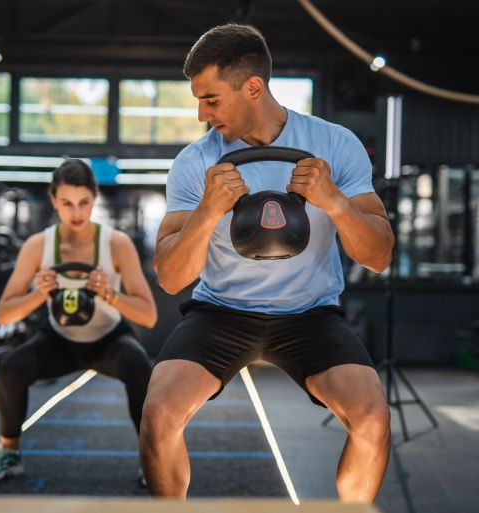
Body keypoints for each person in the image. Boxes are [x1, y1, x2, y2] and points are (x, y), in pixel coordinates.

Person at [139, 24, 394, 502]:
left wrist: (335, 201)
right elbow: (172, 277)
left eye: (211, 100)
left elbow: (378, 256)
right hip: (221, 312)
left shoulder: (335, 145)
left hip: (310, 315)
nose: (201, 114)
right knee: (157, 416)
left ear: (252, 87)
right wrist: (208, 211)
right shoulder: (195, 162)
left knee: (373, 419)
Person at [0, 159, 157, 483]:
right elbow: (4, 314)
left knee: (139, 366)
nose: (76, 212)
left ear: (94, 200)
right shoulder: (38, 245)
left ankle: (152, 460)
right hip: (57, 339)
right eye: (67, 203)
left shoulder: (115, 243)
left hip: (108, 337)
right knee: (12, 367)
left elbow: (148, 316)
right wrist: (38, 294)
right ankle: (8, 452)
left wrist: (110, 295)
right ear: (53, 200)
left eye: (84, 203)